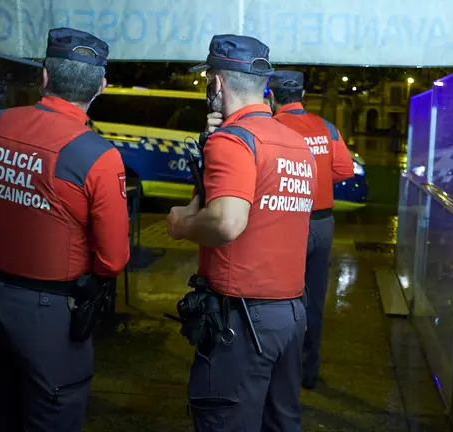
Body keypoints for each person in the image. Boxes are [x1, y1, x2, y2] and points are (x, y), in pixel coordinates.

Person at [0, 27, 129, 431]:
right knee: (53, 411)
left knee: (7, 405)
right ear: (101, 87)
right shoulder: (96, 154)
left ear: (45, 76)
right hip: (49, 313)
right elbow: (114, 258)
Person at [167, 34, 316, 431]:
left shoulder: (234, 141)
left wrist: (181, 226)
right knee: (280, 421)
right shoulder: (296, 144)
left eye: (208, 80)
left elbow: (228, 222)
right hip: (289, 314)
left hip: (242, 321)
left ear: (216, 83)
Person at [267, 70, 355, 390]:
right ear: (303, 95)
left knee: (279, 298)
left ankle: (280, 367)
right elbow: (345, 168)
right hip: (323, 224)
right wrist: (314, 180)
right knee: (314, 300)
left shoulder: (271, 128)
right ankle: (310, 369)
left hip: (287, 223)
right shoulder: (326, 127)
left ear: (272, 97)